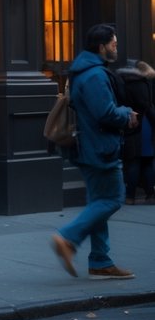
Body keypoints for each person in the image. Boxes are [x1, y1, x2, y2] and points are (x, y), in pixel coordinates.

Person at [51, 23, 139, 280]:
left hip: (89, 146)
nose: (116, 48)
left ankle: (100, 260)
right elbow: (105, 113)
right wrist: (126, 114)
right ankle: (68, 238)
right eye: (113, 44)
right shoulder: (95, 75)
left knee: (98, 201)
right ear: (101, 47)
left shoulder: (84, 71)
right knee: (113, 199)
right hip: (100, 149)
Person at [117, 59, 155, 204]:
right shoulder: (144, 82)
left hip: (130, 122)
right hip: (145, 123)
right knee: (147, 161)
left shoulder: (123, 81)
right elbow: (147, 104)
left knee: (132, 161)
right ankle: (150, 194)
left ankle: (130, 196)